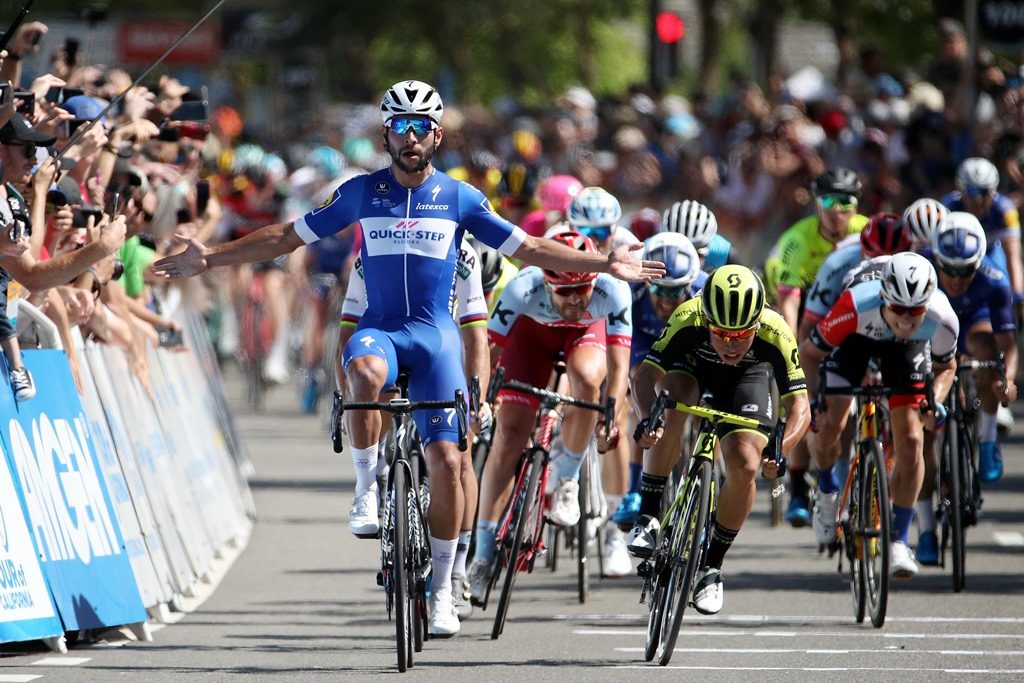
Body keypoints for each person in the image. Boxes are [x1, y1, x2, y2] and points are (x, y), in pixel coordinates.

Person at [152, 80, 663, 638]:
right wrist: (212, 258)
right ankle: (367, 487)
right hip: (382, 331)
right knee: (363, 369)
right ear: (386, 134)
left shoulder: (461, 198)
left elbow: (530, 248)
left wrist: (606, 265)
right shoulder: (358, 193)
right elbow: (282, 239)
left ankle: (443, 588)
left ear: (437, 135)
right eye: (400, 127)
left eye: (421, 127)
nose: (411, 136)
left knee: (447, 463)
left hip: (436, 338)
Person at [628, 265, 810, 614]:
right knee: (673, 408)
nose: (732, 343)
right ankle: (648, 516)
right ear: (706, 320)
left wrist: (781, 449)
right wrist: (648, 419)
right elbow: (645, 376)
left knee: (745, 461)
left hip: (746, 380)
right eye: (722, 334)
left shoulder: (776, 331)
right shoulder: (688, 316)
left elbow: (801, 406)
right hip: (692, 367)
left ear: (757, 324)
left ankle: (711, 567)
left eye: (742, 335)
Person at [469, 231, 635, 594]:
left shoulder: (613, 290)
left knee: (589, 380)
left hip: (584, 340)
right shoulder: (522, 287)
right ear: (547, 283)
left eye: (583, 291)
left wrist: (611, 416)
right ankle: (482, 553)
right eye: (565, 293)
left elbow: (620, 368)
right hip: (531, 340)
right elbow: (489, 352)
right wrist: (479, 399)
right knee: (508, 439)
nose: (575, 300)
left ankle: (567, 482)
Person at [799, 252, 958, 579]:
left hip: (905, 351)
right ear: (885, 298)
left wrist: (935, 401)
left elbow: (947, 367)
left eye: (915, 312)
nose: (906, 319)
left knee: (912, 440)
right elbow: (810, 353)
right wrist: (814, 401)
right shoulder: (855, 305)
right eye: (899, 309)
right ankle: (827, 493)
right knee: (830, 427)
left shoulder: (941, 317)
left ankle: (898, 540)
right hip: (856, 339)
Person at [763, 167, 869, 527]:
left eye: (845, 202)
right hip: (805, 307)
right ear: (815, 203)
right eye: (828, 201)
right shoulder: (798, 240)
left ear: (856, 207)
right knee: (801, 392)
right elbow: (789, 305)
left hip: (853, 312)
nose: (837, 210)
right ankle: (795, 484)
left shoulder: (867, 232)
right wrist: (790, 353)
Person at [611, 232, 705, 529]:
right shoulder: (631, 291)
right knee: (642, 400)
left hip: (691, 344)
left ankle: (701, 489)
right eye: (660, 291)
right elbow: (629, 357)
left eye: (675, 292)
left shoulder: (704, 291)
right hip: (646, 340)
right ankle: (636, 487)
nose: (666, 300)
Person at [928, 213, 1017, 485]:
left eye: (965, 270)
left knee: (987, 349)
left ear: (978, 264)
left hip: (972, 323)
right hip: (934, 323)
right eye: (948, 269)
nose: (956, 278)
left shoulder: (995, 279)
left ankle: (988, 437)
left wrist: (1008, 380)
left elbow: (1009, 345)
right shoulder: (922, 266)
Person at [659, 200, 741, 272]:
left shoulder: (724, 253)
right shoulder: (649, 247)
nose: (685, 262)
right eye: (676, 252)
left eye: (697, 254)